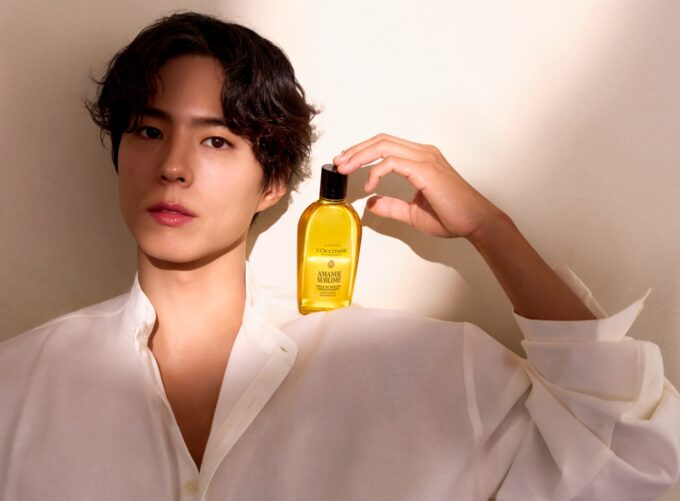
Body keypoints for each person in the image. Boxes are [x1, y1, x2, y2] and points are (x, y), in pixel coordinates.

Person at [1, 11, 678, 501]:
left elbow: (647, 466)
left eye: (216, 141)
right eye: (149, 131)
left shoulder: (421, 373)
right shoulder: (19, 385)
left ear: (272, 182)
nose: (173, 166)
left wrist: (489, 228)